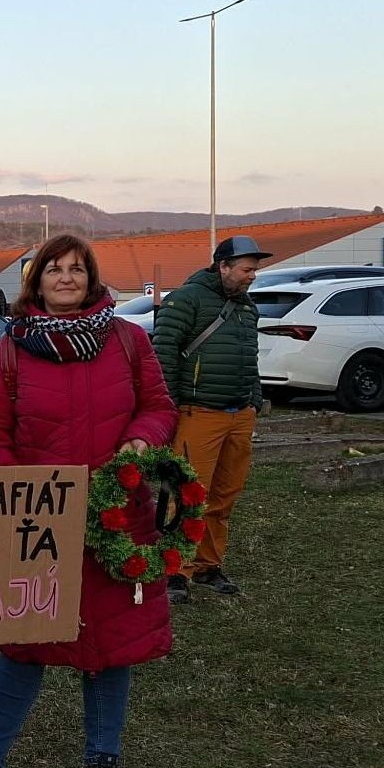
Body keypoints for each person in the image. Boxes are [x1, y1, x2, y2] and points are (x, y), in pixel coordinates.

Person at [0, 235, 178, 768]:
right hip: (40, 526)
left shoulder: (128, 340)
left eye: (76, 269)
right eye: (54, 269)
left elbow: (159, 406)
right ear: (36, 280)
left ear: (91, 277)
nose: (65, 277)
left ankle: (104, 761)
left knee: (110, 647)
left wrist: (138, 444)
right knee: (24, 647)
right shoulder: (10, 351)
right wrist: (26, 497)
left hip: (118, 516)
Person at [150, 235, 268, 604]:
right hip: (198, 413)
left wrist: (254, 399)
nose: (252, 276)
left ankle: (207, 565)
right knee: (187, 495)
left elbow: (250, 358)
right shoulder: (187, 300)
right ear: (223, 266)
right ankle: (175, 572)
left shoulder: (247, 308)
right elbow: (163, 352)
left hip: (239, 415)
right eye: (247, 269)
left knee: (223, 496)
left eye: (254, 270)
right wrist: (168, 406)